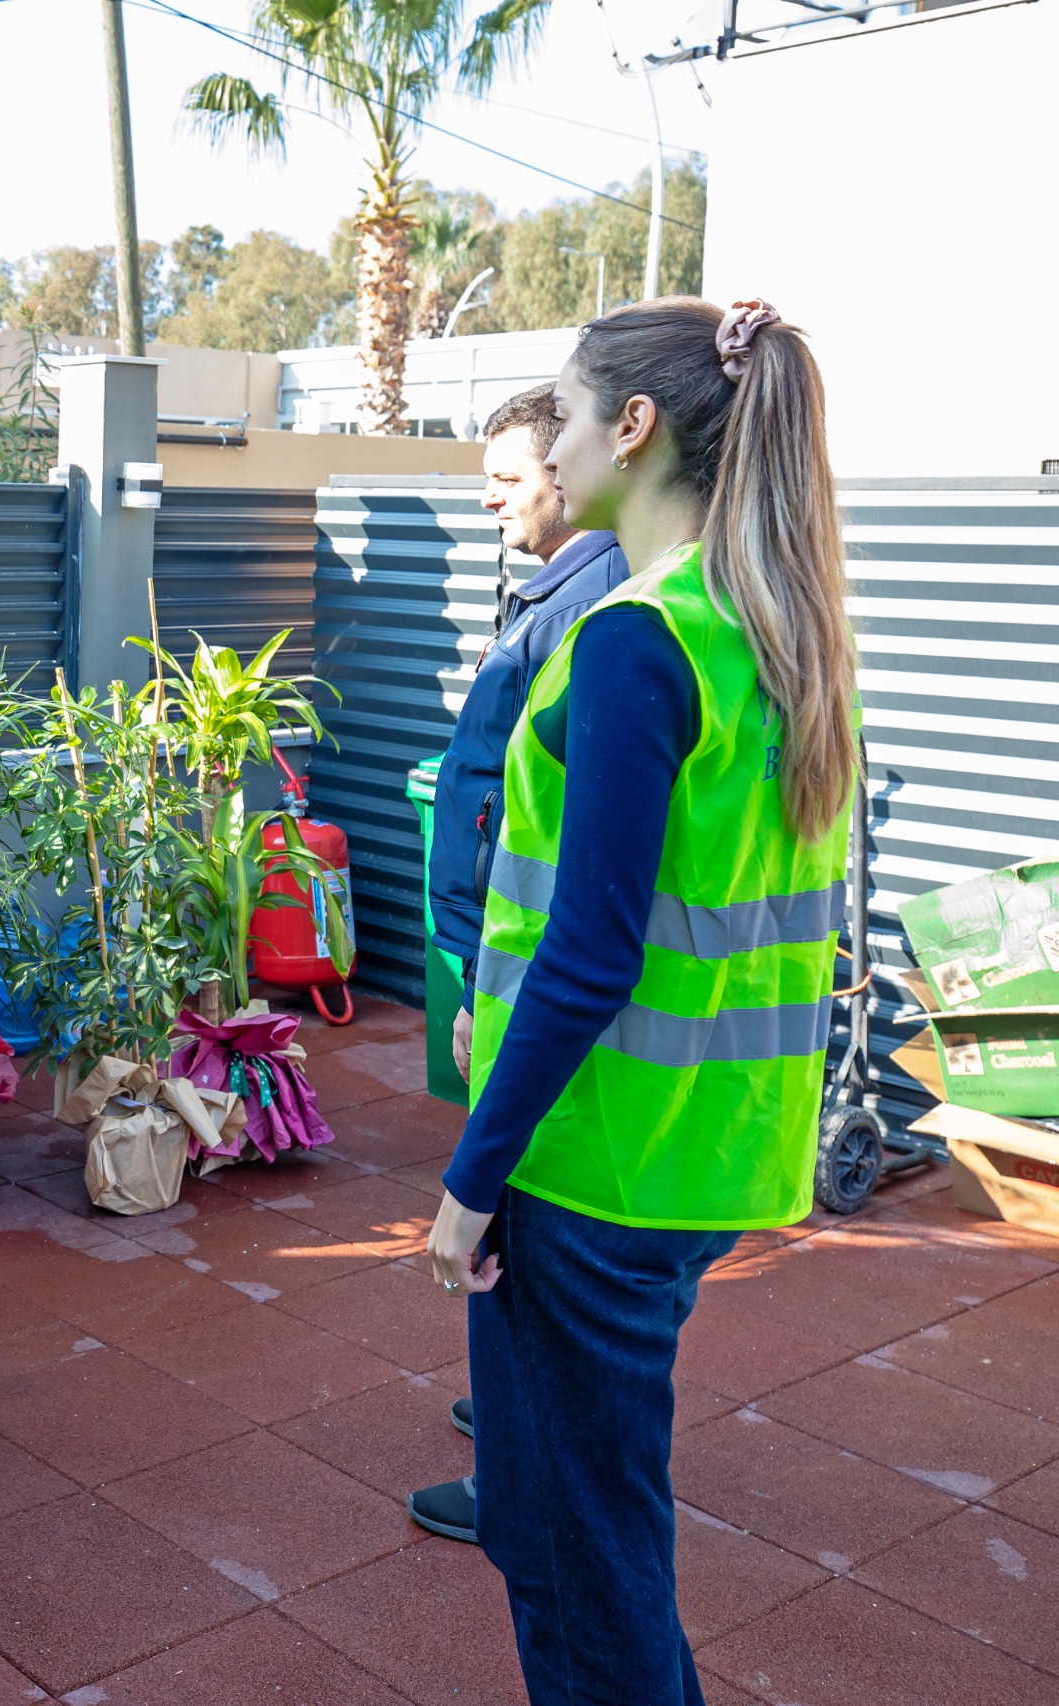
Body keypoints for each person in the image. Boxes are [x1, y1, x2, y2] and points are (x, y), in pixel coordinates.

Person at [427, 299, 856, 1703]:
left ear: (634, 427)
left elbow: (591, 951)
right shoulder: (776, 628)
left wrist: (471, 1177)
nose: (543, 438)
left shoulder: (633, 640)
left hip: (595, 1167)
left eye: (560, 409)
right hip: (707, 1152)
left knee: (579, 1563)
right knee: (574, 1535)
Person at [407, 384, 629, 1549]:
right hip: (496, 952)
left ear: (577, 467)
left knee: (517, 1232)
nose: (488, 494)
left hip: (523, 967)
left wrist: (487, 992)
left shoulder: (598, 612)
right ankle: (509, 1426)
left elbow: (558, 855)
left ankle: (517, 1476)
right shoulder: (547, 590)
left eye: (508, 471)